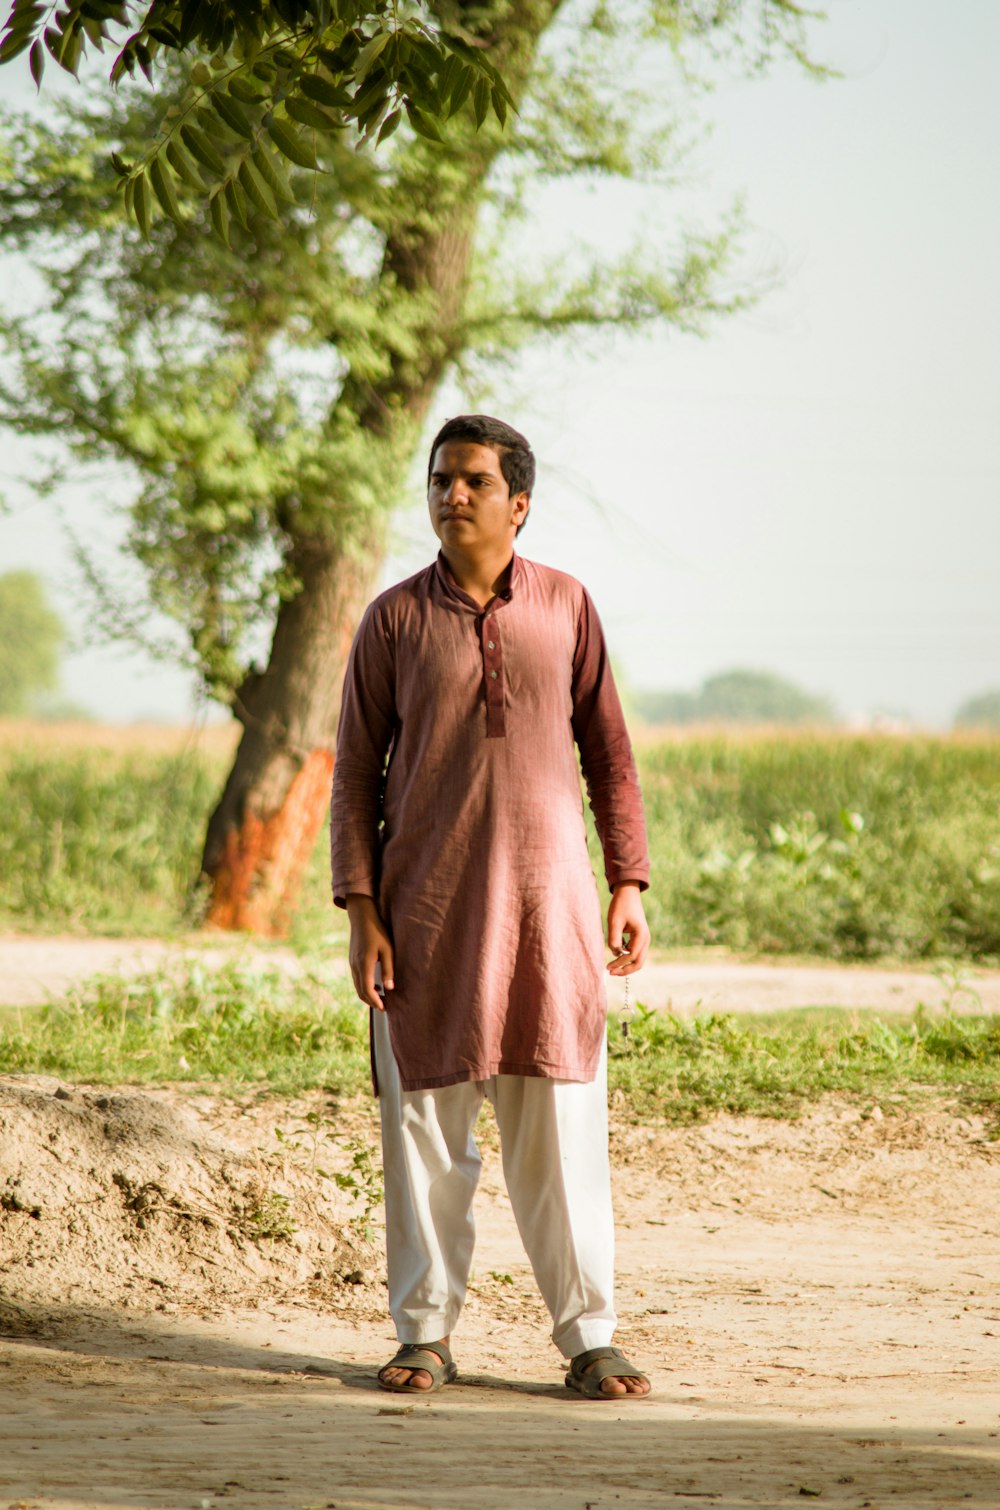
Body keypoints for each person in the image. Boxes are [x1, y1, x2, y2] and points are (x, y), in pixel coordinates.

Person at [329, 414, 652, 1400]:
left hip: (548, 919)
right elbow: (353, 779)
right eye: (438, 479)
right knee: (425, 1132)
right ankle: (424, 1333)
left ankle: (589, 1334)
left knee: (559, 1129)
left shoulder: (565, 606)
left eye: (472, 480)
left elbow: (608, 753)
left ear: (518, 502)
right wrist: (360, 907)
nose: (450, 494)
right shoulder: (391, 619)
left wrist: (627, 881)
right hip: (423, 919)